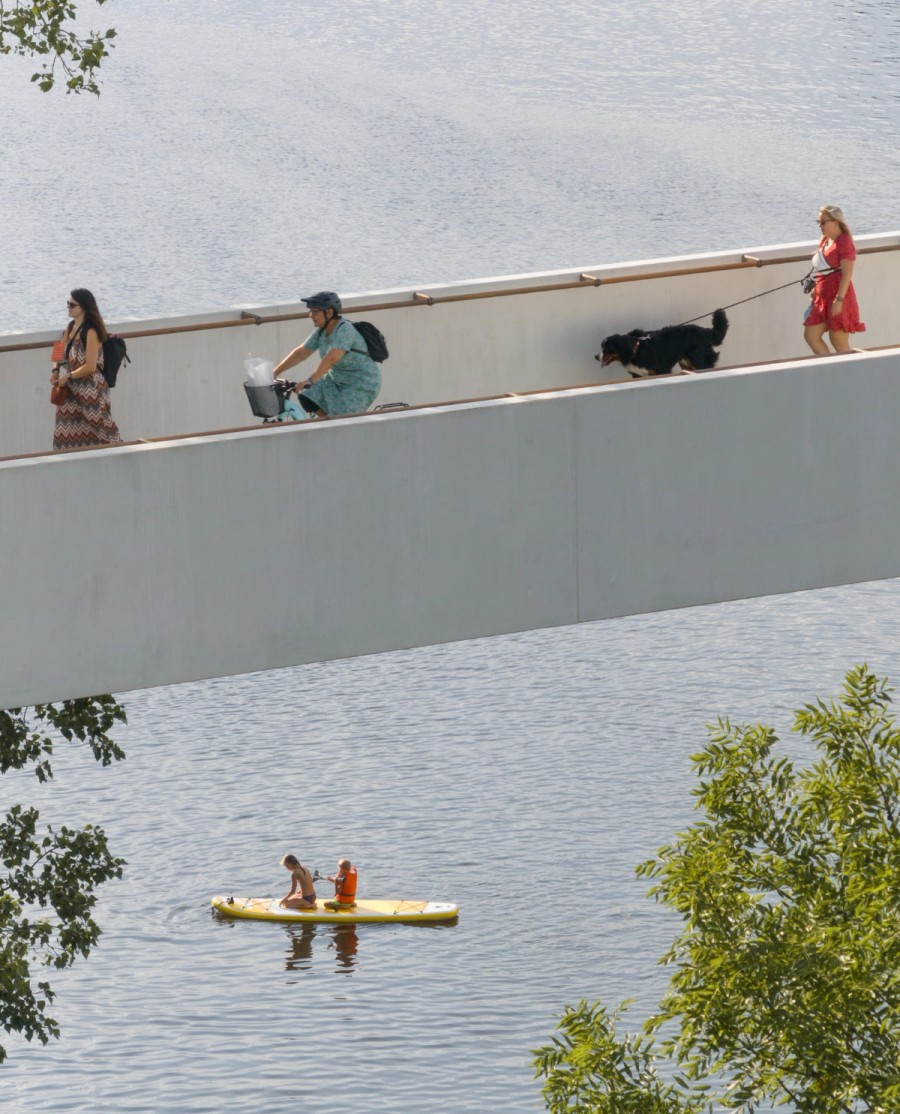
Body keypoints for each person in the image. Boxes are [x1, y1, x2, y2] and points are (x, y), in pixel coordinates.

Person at [272, 292, 381, 417]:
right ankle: (326, 426)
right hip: (336, 380)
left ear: (329, 312)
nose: (310, 315)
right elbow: (300, 353)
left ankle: (335, 430)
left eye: (315, 312)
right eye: (310, 312)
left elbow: (332, 358)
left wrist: (311, 380)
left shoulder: (345, 330)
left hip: (360, 384)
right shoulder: (321, 331)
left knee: (342, 419)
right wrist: (274, 372)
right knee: (306, 395)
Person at [51, 288, 122, 450]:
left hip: (91, 390)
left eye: (72, 305)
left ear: (83, 307)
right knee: (65, 431)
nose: (68, 307)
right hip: (70, 389)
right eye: (67, 303)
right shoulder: (69, 327)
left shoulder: (91, 331)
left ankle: (120, 457)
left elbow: (90, 367)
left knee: (103, 431)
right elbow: (57, 352)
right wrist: (55, 370)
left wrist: (68, 376)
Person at [803, 205, 866, 356]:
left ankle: (850, 375)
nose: (820, 226)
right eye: (818, 222)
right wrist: (816, 289)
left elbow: (847, 274)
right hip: (822, 298)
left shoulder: (844, 241)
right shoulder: (825, 240)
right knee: (811, 336)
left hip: (838, 297)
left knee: (838, 342)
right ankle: (831, 370)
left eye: (823, 222)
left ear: (835, 222)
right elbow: (824, 270)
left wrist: (839, 300)